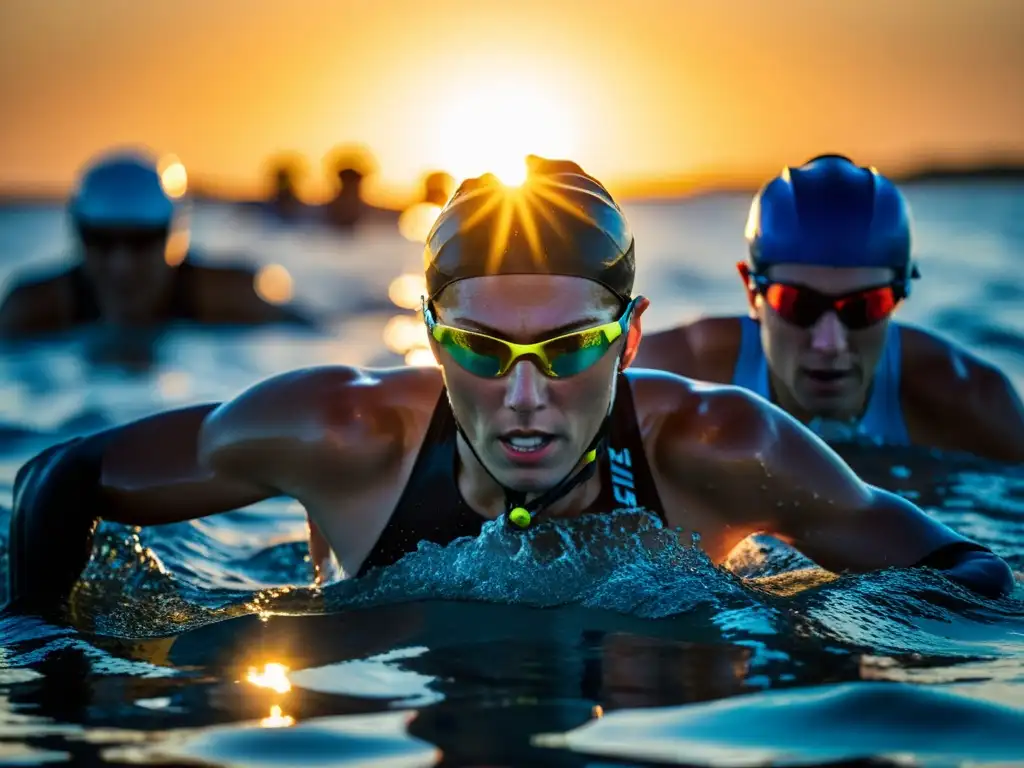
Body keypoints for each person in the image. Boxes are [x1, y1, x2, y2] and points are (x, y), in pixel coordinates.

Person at [5, 156, 1013, 621]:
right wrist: (42, 653)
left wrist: (808, 629)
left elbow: (968, 568)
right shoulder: (344, 433)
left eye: (569, 347)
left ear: (630, 340)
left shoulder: (717, 445)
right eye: (484, 351)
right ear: (432, 340)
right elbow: (65, 472)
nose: (526, 396)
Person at [635, 154, 1024, 462]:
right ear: (752, 292)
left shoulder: (970, 404)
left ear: (898, 297)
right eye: (797, 304)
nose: (829, 342)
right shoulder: (676, 370)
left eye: (863, 307)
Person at [0, 148, 315, 338]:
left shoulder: (227, 295)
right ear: (79, 235)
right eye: (102, 241)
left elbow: (311, 335)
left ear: (171, 236)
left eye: (141, 242)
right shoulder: (31, 308)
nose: (121, 264)